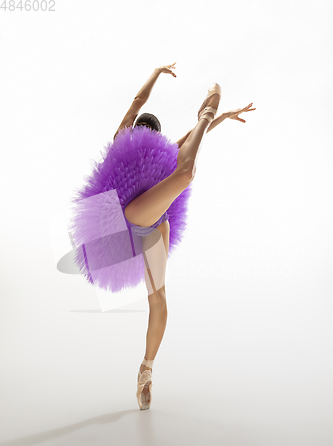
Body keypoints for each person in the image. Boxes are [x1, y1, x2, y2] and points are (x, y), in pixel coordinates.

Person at [70, 62, 255, 410]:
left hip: (156, 223)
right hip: (131, 217)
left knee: (159, 299)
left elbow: (156, 115)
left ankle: (146, 370)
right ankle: (206, 109)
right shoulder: (123, 140)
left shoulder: (161, 150)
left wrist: (223, 117)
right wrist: (158, 75)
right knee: (185, 174)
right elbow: (138, 102)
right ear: (143, 132)